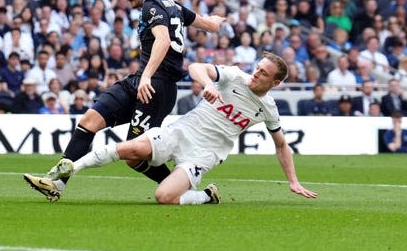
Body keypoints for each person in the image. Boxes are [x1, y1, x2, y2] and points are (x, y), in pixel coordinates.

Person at [24, 0, 225, 202]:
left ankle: (185, 190)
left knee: (133, 154)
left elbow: (162, 41)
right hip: (139, 80)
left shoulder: (152, 5)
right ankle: (57, 183)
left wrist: (148, 76)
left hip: (155, 87)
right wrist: (216, 21)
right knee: (89, 120)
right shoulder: (173, 6)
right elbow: (209, 26)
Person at [25, 53, 318, 204]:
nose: (256, 74)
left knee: (164, 198)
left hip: (204, 155)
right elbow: (195, 67)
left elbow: (281, 144)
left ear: (275, 82)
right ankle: (64, 175)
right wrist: (208, 86)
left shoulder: (268, 109)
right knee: (131, 151)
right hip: (181, 131)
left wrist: (293, 180)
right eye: (257, 68)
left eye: (263, 73)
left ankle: (205, 196)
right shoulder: (235, 77)